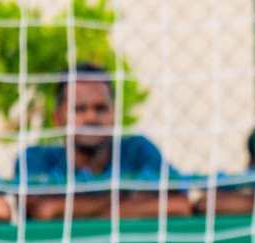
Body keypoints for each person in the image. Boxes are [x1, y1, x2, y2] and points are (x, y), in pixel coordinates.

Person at [16, 63, 190, 220]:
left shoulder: (138, 150)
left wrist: (71, 208)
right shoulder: (35, 158)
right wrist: (126, 195)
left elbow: (180, 206)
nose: (91, 117)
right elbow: (44, 211)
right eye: (79, 109)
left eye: (101, 108)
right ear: (57, 118)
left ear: (114, 114)